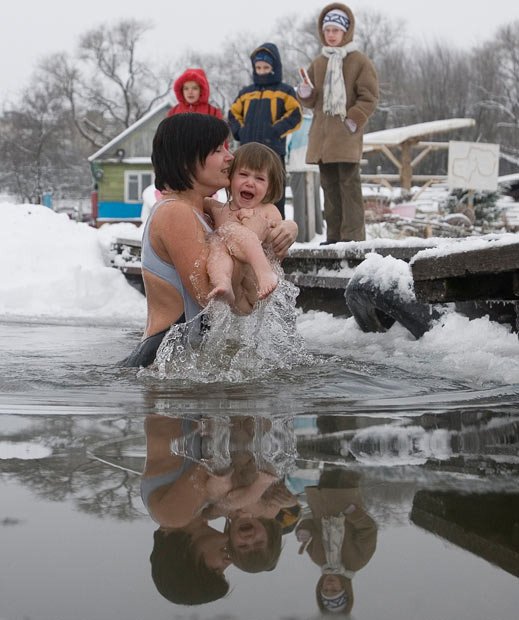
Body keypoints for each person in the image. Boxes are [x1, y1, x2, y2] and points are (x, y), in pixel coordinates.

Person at [120, 113, 298, 368]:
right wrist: (254, 236)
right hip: (161, 361)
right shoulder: (175, 212)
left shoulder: (202, 213)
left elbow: (247, 289)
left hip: (181, 364)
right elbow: (210, 300)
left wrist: (288, 229)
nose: (230, 157)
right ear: (187, 160)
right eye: (218, 149)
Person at [297, 3, 379, 244]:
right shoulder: (319, 62)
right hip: (322, 140)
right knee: (329, 190)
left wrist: (352, 120)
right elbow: (312, 100)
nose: (331, 35)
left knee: (349, 189)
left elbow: (370, 96)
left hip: (345, 135)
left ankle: (352, 239)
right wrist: (304, 92)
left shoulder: (359, 61)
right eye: (327, 30)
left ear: (346, 31)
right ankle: (333, 237)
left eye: (336, 30)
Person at [204, 142, 287, 307]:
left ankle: (265, 274)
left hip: (255, 285)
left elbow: (277, 239)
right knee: (216, 243)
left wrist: (288, 227)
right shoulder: (218, 210)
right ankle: (222, 282)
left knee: (230, 231)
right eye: (243, 174)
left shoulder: (267, 211)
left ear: (270, 188)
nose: (250, 183)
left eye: (260, 178)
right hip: (234, 292)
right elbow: (196, 198)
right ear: (230, 178)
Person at [228, 42, 303, 219]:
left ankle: (276, 231)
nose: (262, 71)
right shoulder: (246, 93)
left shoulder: (285, 91)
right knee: (244, 191)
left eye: (266, 67)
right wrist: (240, 132)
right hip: (247, 152)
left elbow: (295, 115)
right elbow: (232, 114)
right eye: (258, 67)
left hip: (273, 152)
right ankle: (244, 229)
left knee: (274, 193)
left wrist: (274, 131)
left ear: (275, 67)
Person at [295, 467, 378, 615]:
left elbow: (310, 525)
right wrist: (354, 514)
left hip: (321, 498)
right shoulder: (358, 561)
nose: (329, 585)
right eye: (334, 590)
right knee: (348, 461)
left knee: (327, 460)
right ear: (345, 588)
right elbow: (369, 530)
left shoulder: (318, 559)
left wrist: (304, 532)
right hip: (346, 497)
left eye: (326, 590)